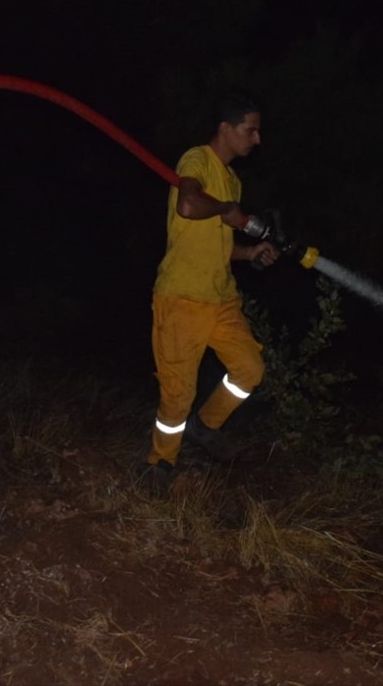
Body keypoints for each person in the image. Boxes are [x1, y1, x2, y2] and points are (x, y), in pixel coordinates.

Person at [143, 91, 280, 494]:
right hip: (182, 297)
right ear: (225, 129)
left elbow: (218, 244)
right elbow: (187, 205)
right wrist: (225, 210)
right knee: (177, 394)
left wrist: (250, 252)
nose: (257, 139)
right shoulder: (197, 160)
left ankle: (206, 426)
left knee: (250, 369)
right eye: (250, 130)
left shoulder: (232, 180)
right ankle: (160, 462)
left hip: (221, 299)